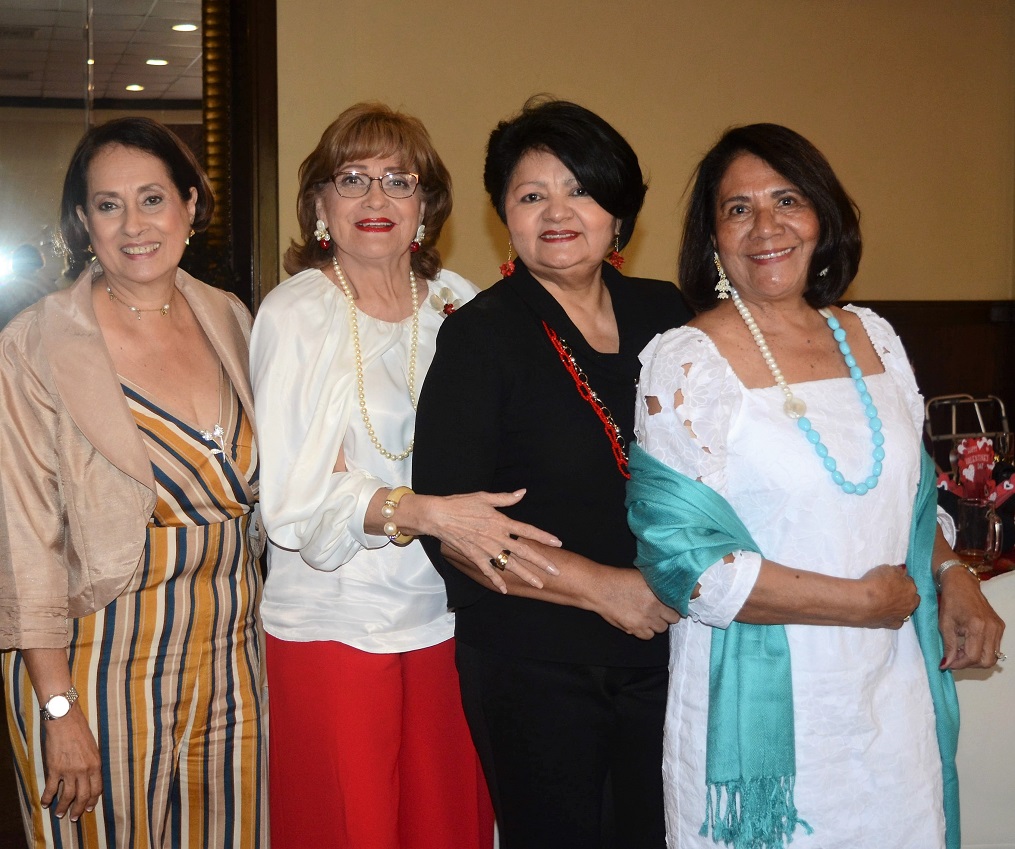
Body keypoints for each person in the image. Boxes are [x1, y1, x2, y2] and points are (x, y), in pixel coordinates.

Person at [626, 122, 1006, 849]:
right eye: (737, 208)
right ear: (712, 239)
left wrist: (952, 573)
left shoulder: (872, 336)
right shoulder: (685, 362)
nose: (765, 226)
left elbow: (907, 500)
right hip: (766, 721)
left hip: (892, 697)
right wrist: (860, 602)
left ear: (821, 219)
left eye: (786, 199)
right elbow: (686, 568)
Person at [250, 102, 560, 849]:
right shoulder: (299, 314)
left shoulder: (456, 301)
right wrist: (426, 512)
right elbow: (294, 503)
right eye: (351, 178)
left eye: (399, 180)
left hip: (451, 615)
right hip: (335, 622)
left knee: (447, 825)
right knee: (349, 829)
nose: (376, 199)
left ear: (427, 204)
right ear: (320, 203)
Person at [412, 98, 692, 848]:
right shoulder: (479, 335)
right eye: (531, 195)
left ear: (617, 212)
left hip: (668, 646)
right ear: (505, 215)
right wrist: (604, 588)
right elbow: (457, 527)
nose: (556, 212)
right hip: (535, 661)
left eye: (579, 190)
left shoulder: (666, 314)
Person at [0, 117, 266, 848]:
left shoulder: (232, 318)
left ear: (189, 203)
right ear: (83, 221)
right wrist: (58, 708)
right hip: (97, 658)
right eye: (107, 205)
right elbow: (25, 540)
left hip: (234, 656)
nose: (132, 225)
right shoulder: (35, 343)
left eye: (151, 198)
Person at [0, 244, 58, 330]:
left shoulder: (6, 290)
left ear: (15, 263)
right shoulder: (49, 285)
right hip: (46, 333)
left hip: (16, 336)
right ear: (38, 260)